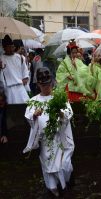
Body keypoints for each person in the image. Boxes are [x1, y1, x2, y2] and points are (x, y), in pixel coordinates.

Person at [23, 67, 74, 197]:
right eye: (42, 84)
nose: (46, 87)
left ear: (52, 82)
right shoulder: (34, 101)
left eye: (47, 84)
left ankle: (65, 184)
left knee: (64, 166)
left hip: (60, 138)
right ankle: (54, 189)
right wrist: (34, 115)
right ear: (38, 84)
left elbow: (69, 113)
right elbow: (28, 116)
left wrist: (61, 113)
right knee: (49, 168)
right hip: (46, 140)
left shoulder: (59, 97)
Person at [0, 35, 29, 104]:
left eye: (12, 47)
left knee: (25, 107)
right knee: (11, 110)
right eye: (9, 47)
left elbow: (25, 71)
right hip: (8, 89)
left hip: (20, 87)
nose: (11, 49)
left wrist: (25, 78)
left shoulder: (20, 57)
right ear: (4, 48)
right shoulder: (1, 59)